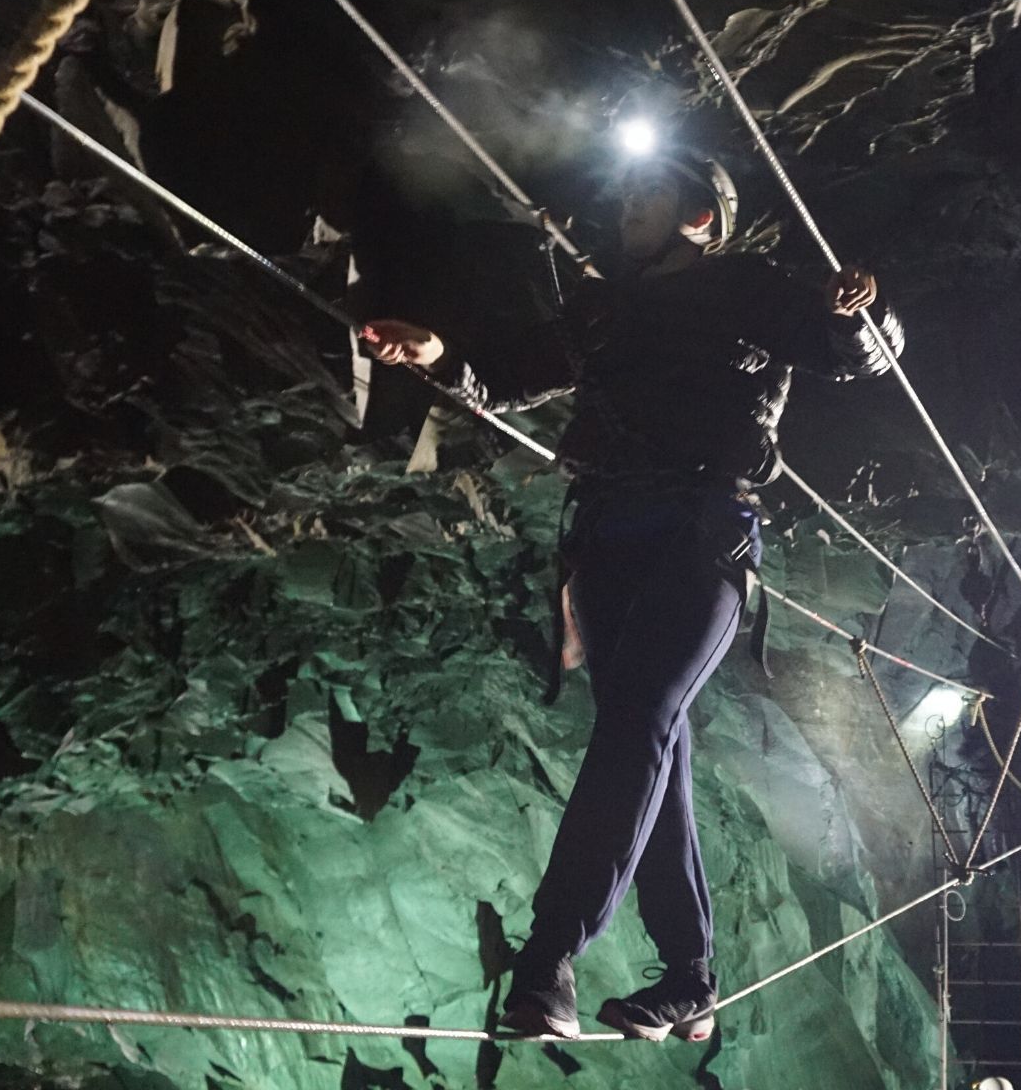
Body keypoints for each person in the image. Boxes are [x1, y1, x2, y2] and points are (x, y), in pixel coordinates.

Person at [362, 149, 904, 1042]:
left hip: (702, 535)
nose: (626, 208)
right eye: (627, 195)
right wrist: (438, 354)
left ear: (700, 217)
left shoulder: (751, 287)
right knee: (654, 744)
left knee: (641, 720)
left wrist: (863, 313)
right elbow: (505, 376)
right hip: (608, 540)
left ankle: (547, 961)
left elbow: (859, 355)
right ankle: (690, 979)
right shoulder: (604, 311)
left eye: (647, 195)